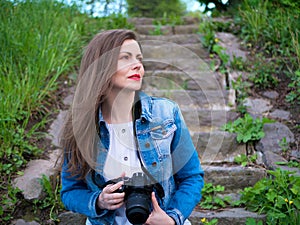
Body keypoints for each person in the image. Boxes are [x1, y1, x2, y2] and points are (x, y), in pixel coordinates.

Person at [60, 29, 204, 225]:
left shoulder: (166, 113)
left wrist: (172, 218)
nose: (137, 65)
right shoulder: (82, 125)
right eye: (125, 58)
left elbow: (192, 177)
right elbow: (70, 191)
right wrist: (99, 201)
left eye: (139, 59)